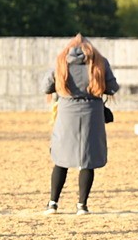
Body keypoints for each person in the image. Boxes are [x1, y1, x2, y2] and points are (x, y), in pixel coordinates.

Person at [40, 35, 119, 214]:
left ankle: (53, 203)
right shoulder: (100, 62)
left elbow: (46, 87)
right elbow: (112, 87)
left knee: (61, 158)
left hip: (67, 111)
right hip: (92, 112)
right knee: (87, 159)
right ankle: (81, 205)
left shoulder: (61, 62)